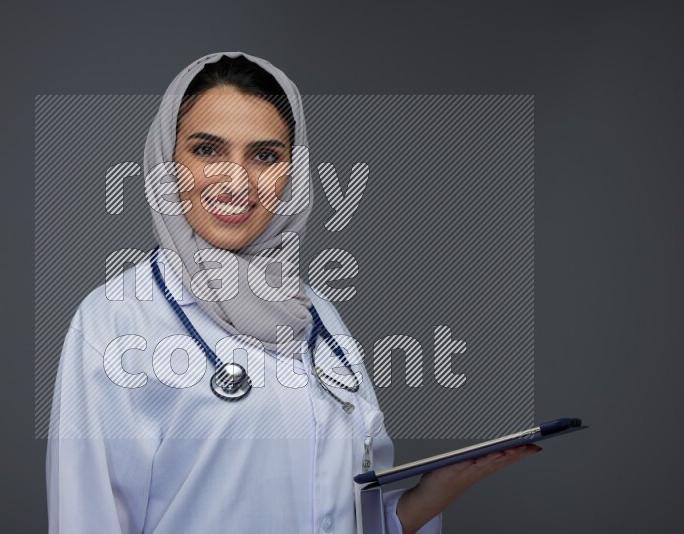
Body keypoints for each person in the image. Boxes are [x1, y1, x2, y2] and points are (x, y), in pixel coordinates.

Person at [45, 51, 540, 534]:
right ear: (166, 161)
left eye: (264, 155)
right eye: (207, 150)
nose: (236, 180)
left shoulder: (318, 317)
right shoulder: (116, 321)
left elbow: (346, 517)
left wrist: (430, 495)